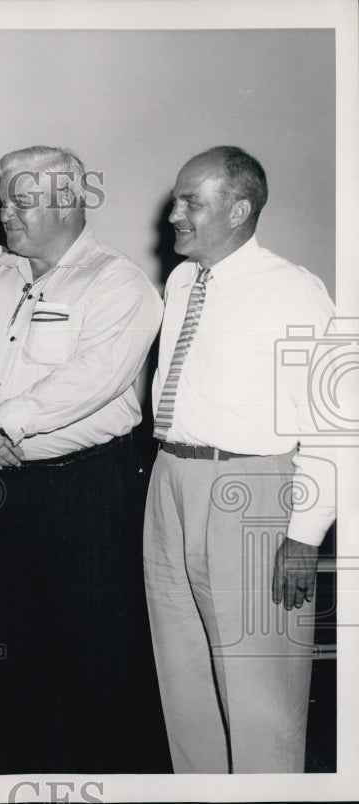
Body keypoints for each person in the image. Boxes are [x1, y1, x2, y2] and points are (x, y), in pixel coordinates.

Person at [0, 146, 166, 773]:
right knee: (3, 658)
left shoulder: (116, 281)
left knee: (98, 662)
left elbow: (95, 377)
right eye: (3, 198)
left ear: (69, 201)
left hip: (85, 494)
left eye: (21, 200)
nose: (4, 212)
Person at [144, 146, 337, 773]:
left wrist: (304, 538)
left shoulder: (294, 290)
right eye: (177, 198)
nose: (173, 213)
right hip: (171, 480)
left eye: (190, 202)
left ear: (239, 209)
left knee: (260, 696)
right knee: (185, 683)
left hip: (250, 492)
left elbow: (336, 428)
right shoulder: (181, 281)